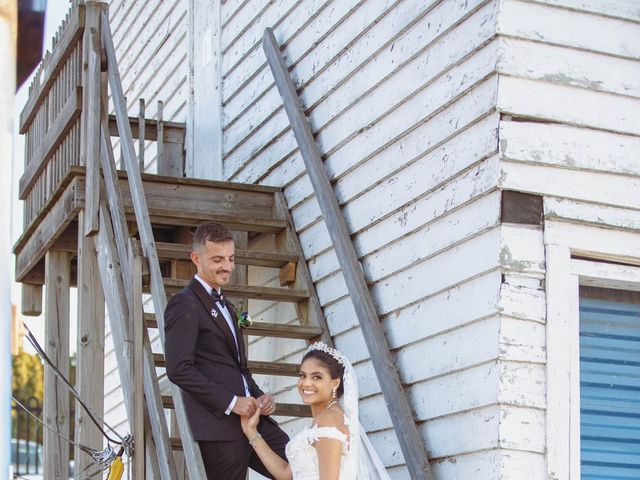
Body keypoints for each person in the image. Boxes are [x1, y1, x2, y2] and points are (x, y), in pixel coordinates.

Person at [164, 222, 290, 479]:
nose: (227, 267)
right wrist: (232, 403)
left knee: (299, 466)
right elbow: (178, 369)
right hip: (218, 427)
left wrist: (260, 396)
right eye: (218, 259)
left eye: (231, 259)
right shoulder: (184, 303)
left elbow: (237, 368)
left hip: (254, 420)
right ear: (196, 259)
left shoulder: (228, 307)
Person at [241, 342, 392, 480]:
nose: (306, 383)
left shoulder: (328, 420)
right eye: (302, 375)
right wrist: (251, 432)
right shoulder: (330, 417)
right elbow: (286, 473)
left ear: (335, 383)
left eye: (317, 377)